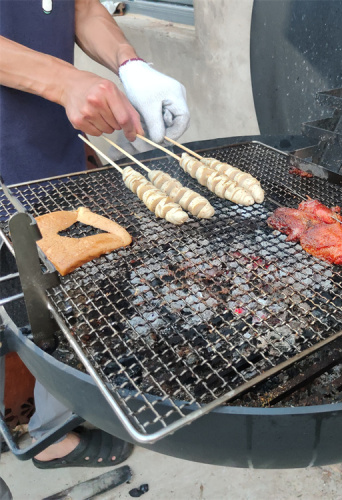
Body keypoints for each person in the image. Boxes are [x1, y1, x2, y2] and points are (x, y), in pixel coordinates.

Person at [0, 0, 190, 472]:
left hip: (47, 156)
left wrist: (132, 63)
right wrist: (68, 81)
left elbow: (79, 7)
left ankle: (47, 426)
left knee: (50, 309)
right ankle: (35, 436)